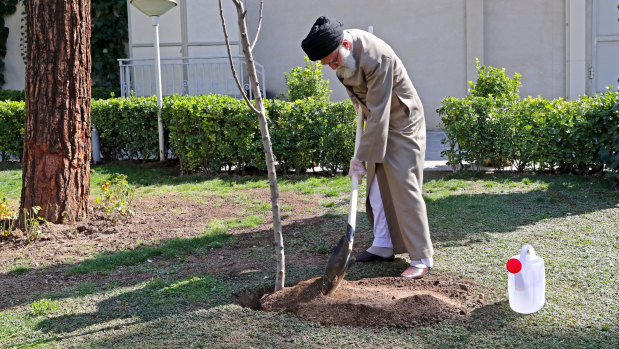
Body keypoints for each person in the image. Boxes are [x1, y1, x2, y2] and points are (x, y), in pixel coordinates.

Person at [301, 16, 434, 279]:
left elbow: (380, 112)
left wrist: (360, 159)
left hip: (402, 121)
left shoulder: (377, 57)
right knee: (375, 185)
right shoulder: (341, 55)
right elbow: (360, 93)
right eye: (326, 64)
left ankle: (422, 257)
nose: (332, 66)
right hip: (375, 116)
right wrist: (356, 102)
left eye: (333, 60)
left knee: (403, 184)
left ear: (346, 44)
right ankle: (383, 245)